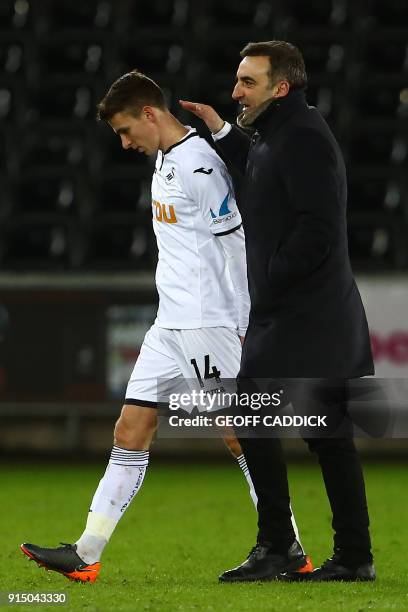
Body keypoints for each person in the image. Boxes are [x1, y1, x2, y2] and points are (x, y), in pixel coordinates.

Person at [20, 70, 311, 583]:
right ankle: (86, 552)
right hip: (168, 324)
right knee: (131, 429)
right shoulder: (164, 157)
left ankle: (287, 545)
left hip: (209, 322)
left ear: (150, 114)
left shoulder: (200, 168)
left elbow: (232, 248)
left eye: (127, 131)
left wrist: (246, 324)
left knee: (239, 435)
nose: (125, 142)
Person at [181, 40, 376, 582]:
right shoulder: (282, 133)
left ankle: (290, 549)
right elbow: (259, 168)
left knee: (291, 425)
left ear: (281, 86)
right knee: (316, 432)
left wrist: (268, 281)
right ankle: (341, 555)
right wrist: (222, 130)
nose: (236, 90)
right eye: (238, 79)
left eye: (248, 82)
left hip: (308, 315)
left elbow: (320, 226)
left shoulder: (306, 137)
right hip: (299, 313)